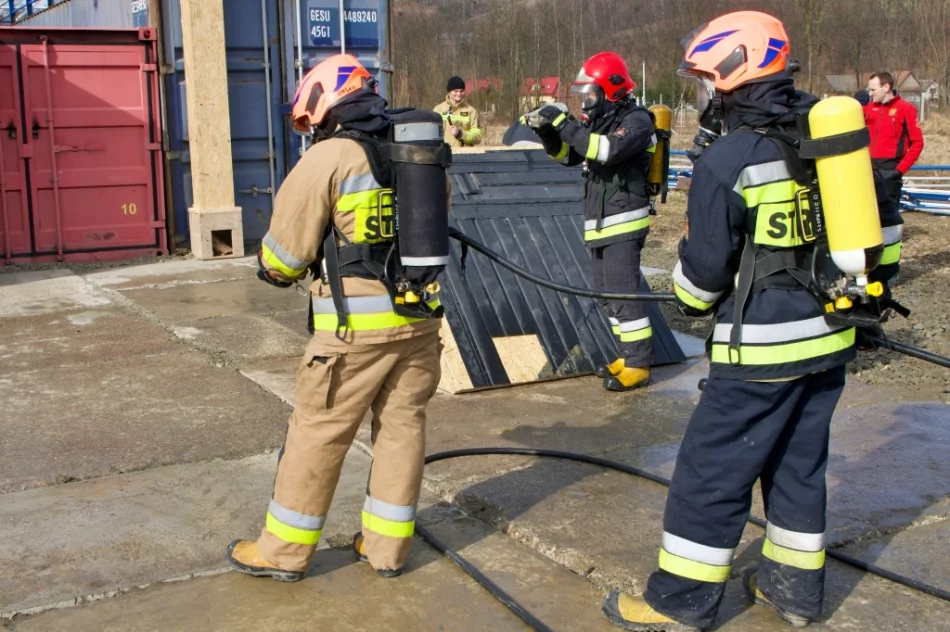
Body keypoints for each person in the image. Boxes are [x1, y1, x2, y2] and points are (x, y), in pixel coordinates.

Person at [601, 11, 859, 631]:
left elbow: (700, 282)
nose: (706, 91)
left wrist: (688, 297)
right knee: (799, 467)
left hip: (760, 352)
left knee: (709, 473)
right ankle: (793, 592)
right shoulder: (830, 133)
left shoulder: (730, 159)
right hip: (830, 339)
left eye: (709, 78)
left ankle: (678, 604)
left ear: (734, 73)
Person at [226, 54, 445, 582]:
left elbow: (283, 258)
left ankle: (282, 553)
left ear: (325, 99)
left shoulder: (330, 157)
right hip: (420, 324)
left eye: (309, 116)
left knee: (317, 436)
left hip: (354, 336)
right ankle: (386, 550)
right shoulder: (420, 152)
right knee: (401, 430)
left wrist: (272, 269)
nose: (310, 127)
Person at [528, 52, 657, 392]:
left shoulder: (637, 121)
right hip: (600, 221)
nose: (587, 100)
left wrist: (563, 123)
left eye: (591, 93)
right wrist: (547, 133)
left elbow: (606, 151)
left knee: (624, 294)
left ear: (611, 90)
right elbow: (570, 156)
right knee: (606, 295)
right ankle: (627, 354)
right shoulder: (599, 121)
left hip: (624, 220)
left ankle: (639, 364)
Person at [864, 72, 924, 287]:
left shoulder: (905, 109)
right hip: (865, 169)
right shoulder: (866, 110)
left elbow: (917, 144)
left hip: (889, 171)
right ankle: (865, 269)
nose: (869, 93)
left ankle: (889, 272)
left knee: (887, 225)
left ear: (886, 87)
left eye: (873, 89)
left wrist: (899, 171)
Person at [433, 76, 483, 147]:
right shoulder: (438, 110)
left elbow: (478, 137)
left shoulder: (471, 111)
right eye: (455, 91)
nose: (459, 94)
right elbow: (433, 135)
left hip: (465, 155)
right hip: (444, 153)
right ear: (449, 92)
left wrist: (460, 134)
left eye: (461, 91)